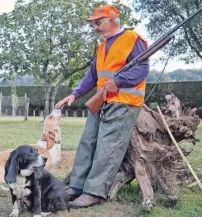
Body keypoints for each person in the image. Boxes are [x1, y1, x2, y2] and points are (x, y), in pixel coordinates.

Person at [55, 4, 149, 208]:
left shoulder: (133, 39)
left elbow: (141, 70)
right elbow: (93, 76)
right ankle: (77, 187)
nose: (95, 27)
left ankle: (95, 192)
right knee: (87, 142)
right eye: (95, 24)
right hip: (102, 101)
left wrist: (118, 82)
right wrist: (75, 94)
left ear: (112, 20)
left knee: (108, 148)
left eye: (98, 23)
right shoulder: (102, 46)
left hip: (124, 103)